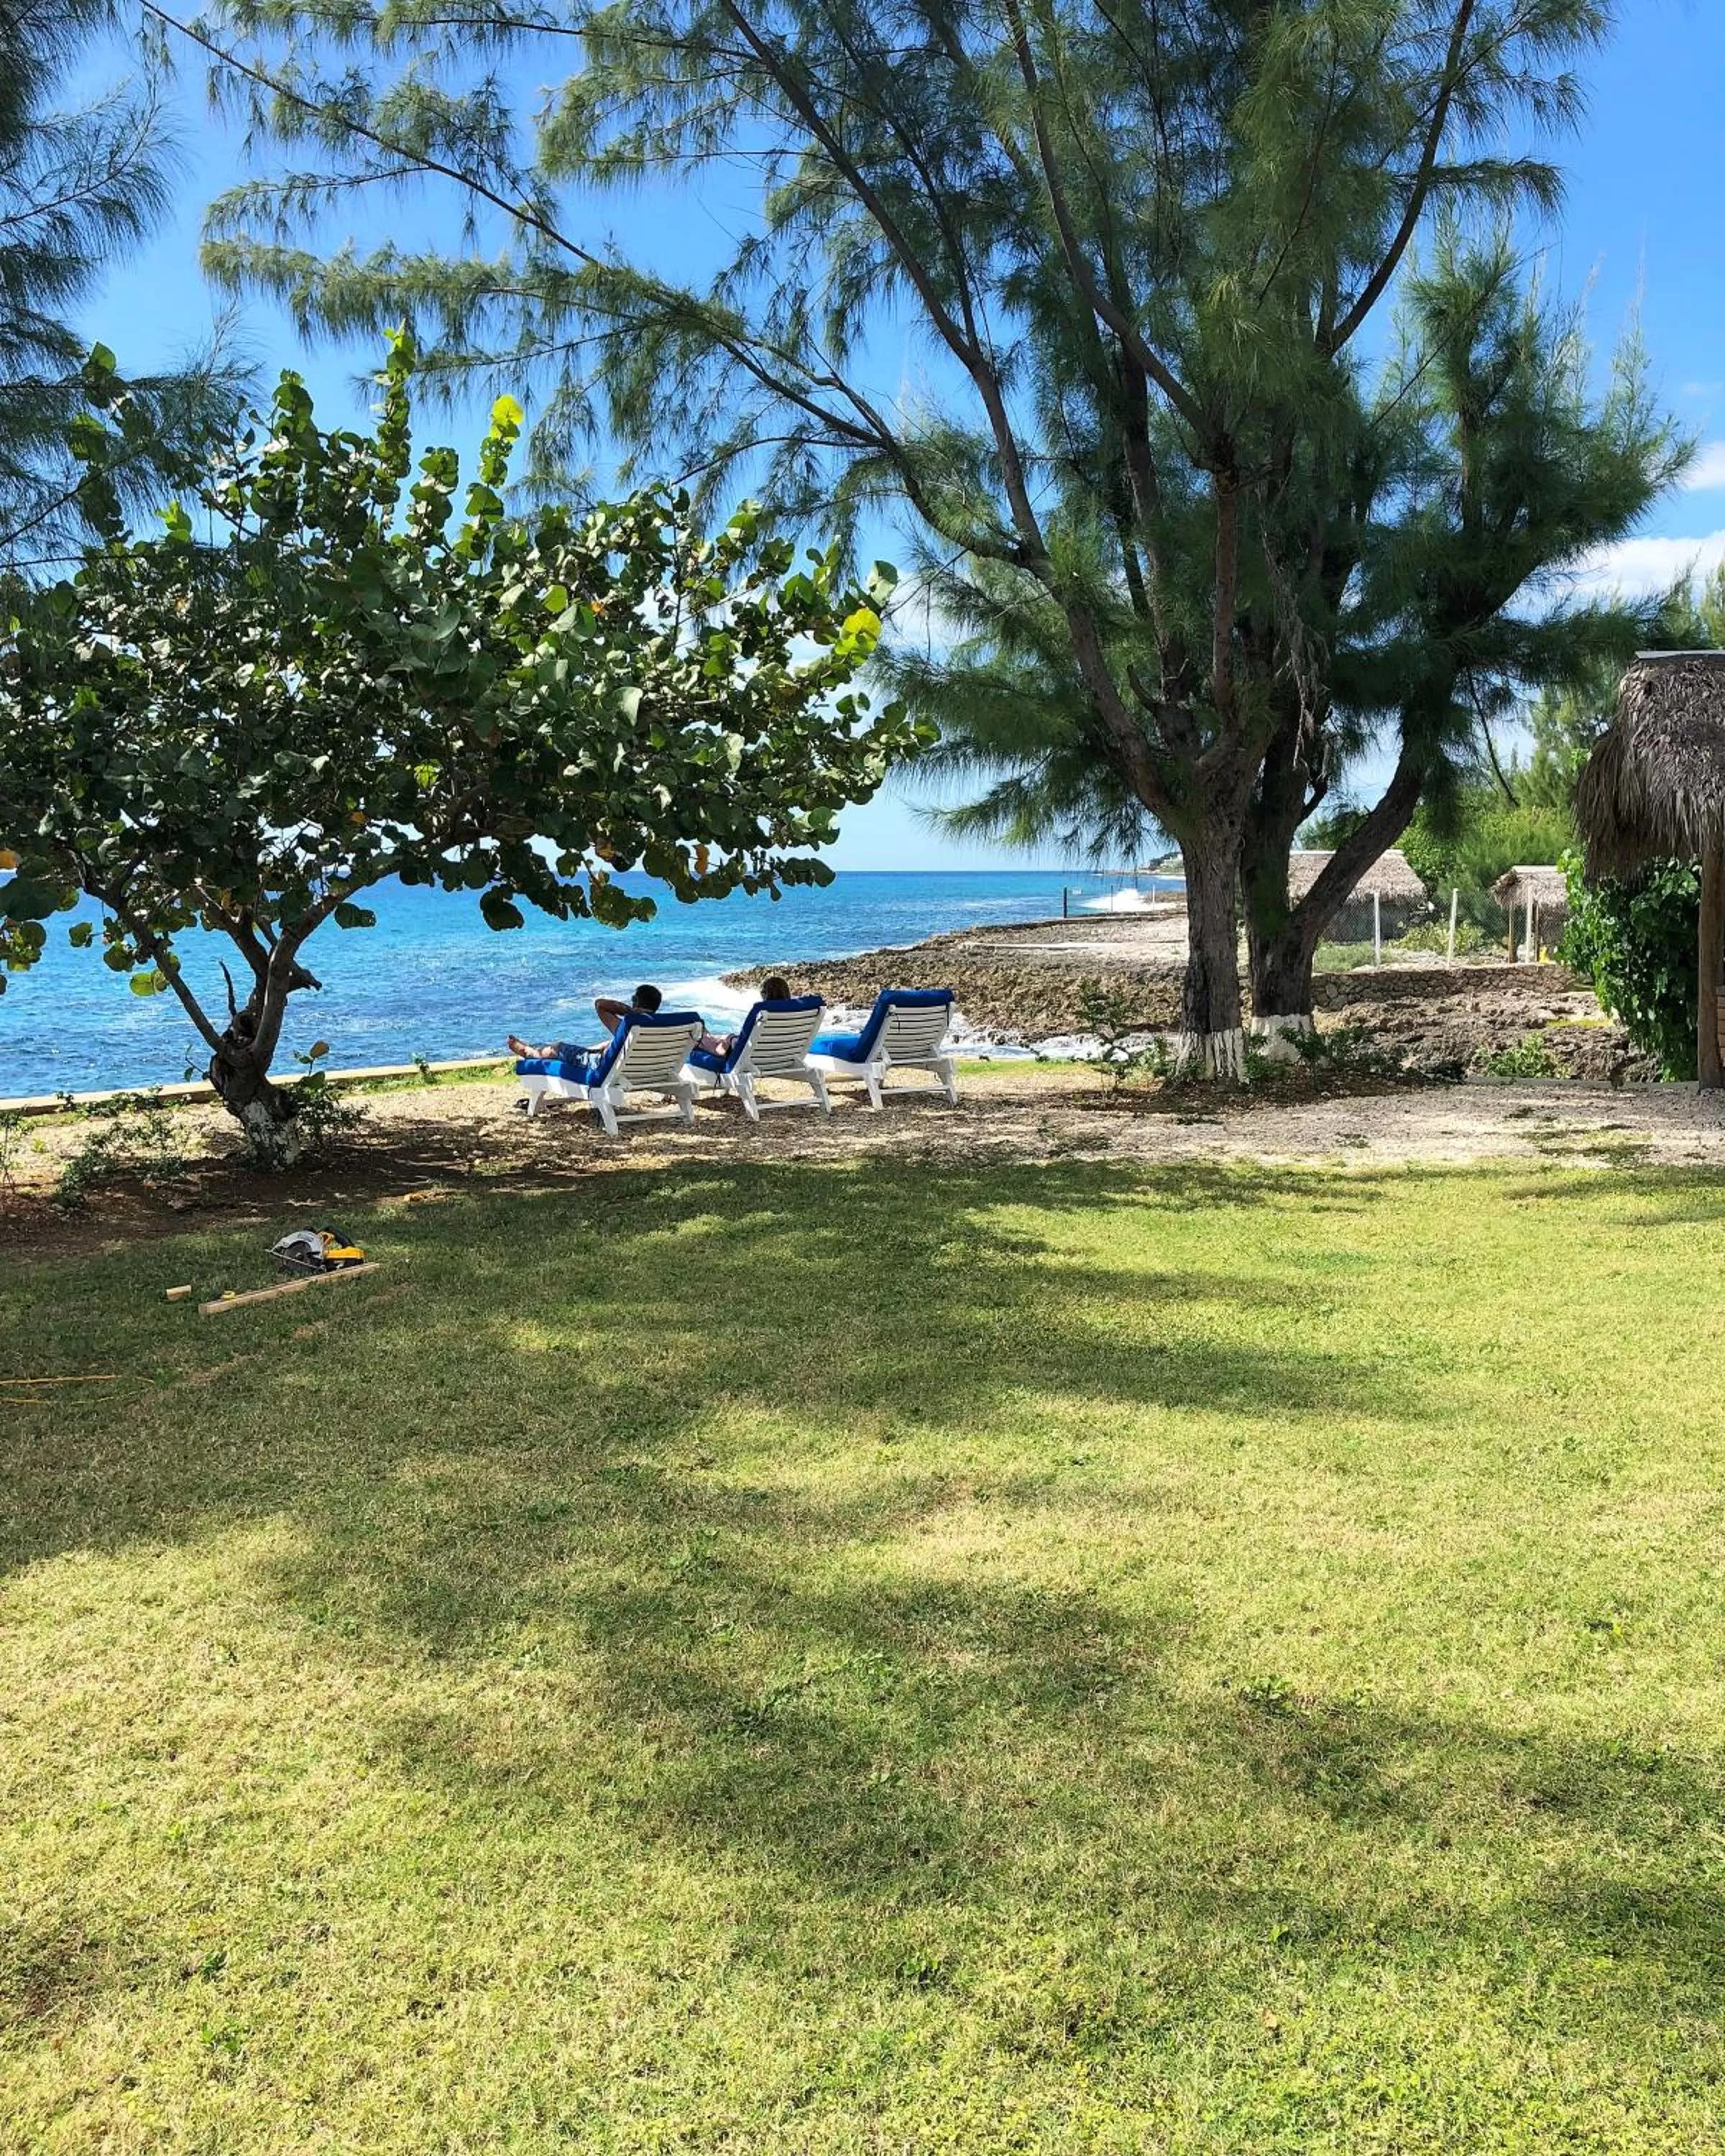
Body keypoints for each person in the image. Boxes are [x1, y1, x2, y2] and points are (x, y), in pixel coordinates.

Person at [509, 983, 663, 1064]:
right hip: (645, 1070)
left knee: (557, 1048)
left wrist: (632, 1012)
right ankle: (589, 1050)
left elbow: (600, 1004)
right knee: (607, 1044)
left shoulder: (631, 1025)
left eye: (633, 998)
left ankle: (529, 1053)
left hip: (609, 1068)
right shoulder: (666, 1026)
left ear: (636, 1002)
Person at [696, 976, 792, 1059]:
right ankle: (708, 1036)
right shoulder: (796, 1012)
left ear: (765, 995)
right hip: (782, 1054)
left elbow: (746, 1037)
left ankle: (702, 1036)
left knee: (707, 1041)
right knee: (725, 1038)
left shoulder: (762, 1011)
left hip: (750, 1054)